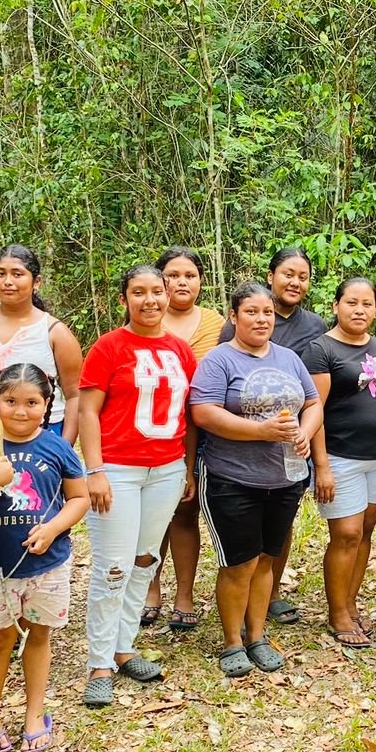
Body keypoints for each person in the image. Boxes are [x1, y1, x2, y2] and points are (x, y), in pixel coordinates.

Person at [0, 364, 90, 752]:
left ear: (47, 406)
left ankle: (34, 713)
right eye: (10, 401)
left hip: (48, 563)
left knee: (39, 635)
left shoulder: (56, 445)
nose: (20, 410)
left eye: (32, 402)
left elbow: (78, 498)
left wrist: (52, 529)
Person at [78, 266, 197, 707]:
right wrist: (95, 470)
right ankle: (99, 663)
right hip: (118, 470)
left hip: (165, 470)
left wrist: (186, 467)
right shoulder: (108, 347)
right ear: (124, 298)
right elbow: (89, 412)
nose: (150, 300)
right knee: (113, 566)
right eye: (139, 292)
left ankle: (124, 648)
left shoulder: (181, 351)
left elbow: (188, 416)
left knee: (145, 559)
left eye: (157, 292)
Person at [191, 283, 323, 678]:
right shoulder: (219, 360)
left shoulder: (288, 358)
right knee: (238, 563)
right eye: (251, 312)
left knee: (266, 558)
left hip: (284, 478)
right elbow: (203, 412)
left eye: (267, 312)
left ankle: (258, 635)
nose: (261, 319)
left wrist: (304, 430)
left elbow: (313, 402)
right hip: (232, 477)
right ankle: (232, 641)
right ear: (234, 317)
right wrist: (260, 431)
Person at [218, 246, 325, 625]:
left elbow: (315, 395)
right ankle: (239, 611)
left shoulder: (313, 326)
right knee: (242, 539)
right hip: (241, 450)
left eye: (303, 276)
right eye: (288, 274)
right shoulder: (236, 328)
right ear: (271, 275)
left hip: (291, 445)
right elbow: (218, 393)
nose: (295, 282)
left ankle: (271, 596)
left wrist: (309, 436)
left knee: (279, 529)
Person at [306, 277, 376, 647]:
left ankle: (350, 603)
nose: (359, 310)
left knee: (364, 532)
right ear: (335, 306)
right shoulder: (320, 349)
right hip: (340, 456)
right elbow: (314, 410)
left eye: (367, 304)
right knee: (344, 534)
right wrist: (322, 465)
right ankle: (337, 613)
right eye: (351, 303)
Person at [142, 246, 226, 632]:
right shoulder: (145, 319)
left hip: (202, 431)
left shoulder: (216, 323)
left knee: (185, 509)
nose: (180, 282)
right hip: (150, 431)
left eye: (189, 275)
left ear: (200, 281)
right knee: (151, 515)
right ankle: (150, 589)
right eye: (172, 275)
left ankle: (185, 594)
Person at [0, 244, 82, 444]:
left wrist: (64, 449)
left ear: (36, 282)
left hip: (44, 434)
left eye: (17, 274)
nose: (8, 282)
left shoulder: (55, 333)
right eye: (0, 273)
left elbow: (75, 395)